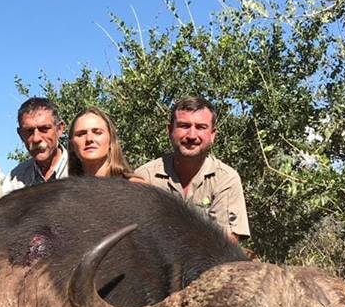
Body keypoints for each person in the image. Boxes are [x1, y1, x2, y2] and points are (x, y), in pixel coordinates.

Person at [134, 96, 250, 242]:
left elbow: (226, 244)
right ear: (170, 130)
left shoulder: (226, 179)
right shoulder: (145, 177)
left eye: (201, 127)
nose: (192, 135)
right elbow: (137, 238)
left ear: (213, 135)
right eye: (184, 126)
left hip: (210, 263)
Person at [4, 97, 68, 192]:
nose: (36, 138)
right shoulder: (16, 180)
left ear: (59, 129)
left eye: (44, 129)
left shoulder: (83, 170)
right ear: (21, 135)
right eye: (29, 131)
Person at [68, 107, 143, 182]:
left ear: (111, 139)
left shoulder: (135, 186)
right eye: (81, 134)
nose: (89, 139)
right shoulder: (65, 190)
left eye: (97, 132)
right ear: (72, 145)